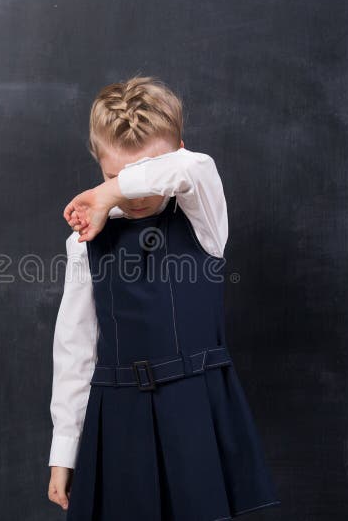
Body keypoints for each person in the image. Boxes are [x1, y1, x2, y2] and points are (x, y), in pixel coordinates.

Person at [47, 75, 281, 520]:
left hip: (193, 407)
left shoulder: (203, 217)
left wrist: (112, 189)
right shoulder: (86, 240)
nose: (133, 192)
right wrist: (64, 449)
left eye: (142, 175)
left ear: (175, 152)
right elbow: (75, 347)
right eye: (113, 174)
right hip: (116, 414)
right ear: (97, 161)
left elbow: (194, 167)